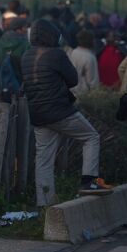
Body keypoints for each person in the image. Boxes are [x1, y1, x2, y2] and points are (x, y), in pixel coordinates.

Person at [21, 19, 112, 208]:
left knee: (44, 158)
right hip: (60, 111)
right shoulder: (57, 54)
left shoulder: (26, 56)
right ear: (50, 35)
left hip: (38, 114)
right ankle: (89, 181)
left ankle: (44, 204)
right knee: (91, 137)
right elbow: (72, 80)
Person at [68, 30, 100, 96]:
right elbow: (92, 82)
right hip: (84, 96)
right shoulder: (90, 57)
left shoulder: (72, 52)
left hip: (71, 93)